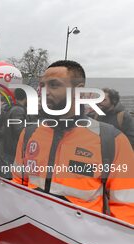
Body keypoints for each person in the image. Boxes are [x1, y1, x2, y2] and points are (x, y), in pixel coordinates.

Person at [13, 60, 134, 225]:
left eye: (54, 85)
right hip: (32, 234)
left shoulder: (112, 140)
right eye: (42, 86)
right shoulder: (29, 133)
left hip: (81, 243)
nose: (44, 92)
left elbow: (126, 208)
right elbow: (17, 186)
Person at [0, 88, 28, 173]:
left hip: (6, 143)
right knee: (10, 171)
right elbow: (19, 130)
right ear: (25, 97)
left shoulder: (11, 107)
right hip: (13, 145)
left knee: (5, 169)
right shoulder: (18, 110)